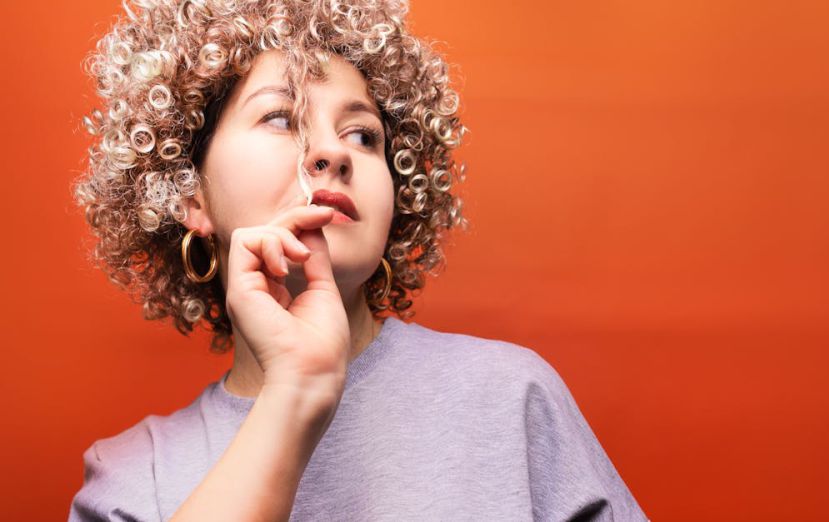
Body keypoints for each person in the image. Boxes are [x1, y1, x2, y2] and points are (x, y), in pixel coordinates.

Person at [68, 1, 649, 520]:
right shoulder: (135, 478)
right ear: (188, 194)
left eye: (364, 135)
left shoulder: (511, 399)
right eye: (280, 117)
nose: (333, 152)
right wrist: (295, 393)